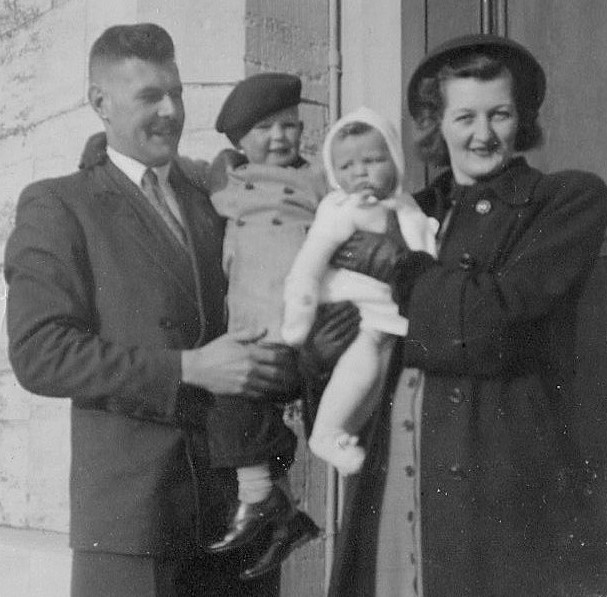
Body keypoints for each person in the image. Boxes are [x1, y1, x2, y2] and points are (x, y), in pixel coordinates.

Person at [4, 23, 302, 597]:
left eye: (177, 93)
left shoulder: (219, 193)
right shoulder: (59, 204)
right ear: (100, 103)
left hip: (238, 516)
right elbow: (40, 353)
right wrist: (188, 368)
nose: (171, 111)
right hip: (134, 524)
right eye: (149, 96)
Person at [303, 34, 607, 596]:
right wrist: (323, 354)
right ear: (436, 124)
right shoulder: (408, 211)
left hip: (499, 489)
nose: (482, 134)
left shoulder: (566, 201)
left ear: (523, 120)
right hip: (397, 472)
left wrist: (402, 269)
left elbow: (493, 326)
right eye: (465, 117)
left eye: (500, 114)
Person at [202, 72, 323, 579]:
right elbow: (186, 173)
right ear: (239, 141)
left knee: (239, 403)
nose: (280, 138)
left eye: (289, 125)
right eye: (265, 128)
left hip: (297, 324)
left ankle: (261, 500)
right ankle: (282, 513)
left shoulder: (318, 179)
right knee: (238, 406)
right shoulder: (230, 185)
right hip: (252, 322)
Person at [282, 107, 437, 476]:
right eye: (347, 166)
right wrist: (299, 319)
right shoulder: (339, 209)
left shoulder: (406, 205)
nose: (360, 173)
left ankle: (345, 433)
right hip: (356, 307)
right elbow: (308, 265)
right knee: (362, 362)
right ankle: (327, 433)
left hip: (394, 316)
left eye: (372, 160)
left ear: (395, 160)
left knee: (376, 380)